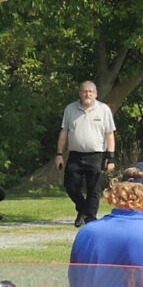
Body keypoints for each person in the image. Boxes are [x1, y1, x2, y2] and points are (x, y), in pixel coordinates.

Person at [55, 80, 116, 226]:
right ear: (80, 93)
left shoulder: (104, 109)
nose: (87, 94)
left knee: (93, 188)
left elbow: (109, 134)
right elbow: (64, 132)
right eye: (84, 91)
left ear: (96, 94)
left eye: (90, 91)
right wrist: (58, 154)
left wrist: (111, 157)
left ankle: (90, 218)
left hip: (95, 155)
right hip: (75, 154)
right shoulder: (70, 109)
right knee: (70, 185)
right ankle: (82, 209)